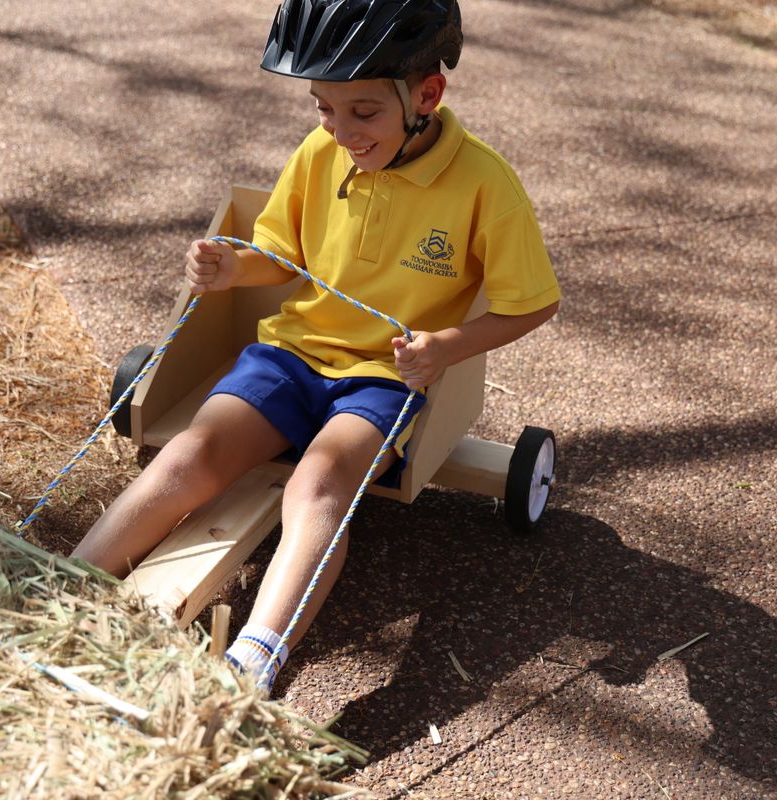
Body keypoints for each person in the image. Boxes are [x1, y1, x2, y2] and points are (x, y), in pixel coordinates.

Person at [70, 0, 560, 694]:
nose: (341, 130)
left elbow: (533, 302)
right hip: (292, 355)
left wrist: (447, 346)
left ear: (427, 95)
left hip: (383, 378)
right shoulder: (319, 152)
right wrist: (235, 268)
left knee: (318, 484)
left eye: (364, 111)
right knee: (188, 454)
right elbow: (280, 254)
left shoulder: (485, 183)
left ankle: (252, 663)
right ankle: (58, 591)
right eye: (324, 108)